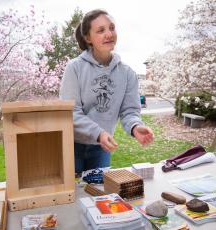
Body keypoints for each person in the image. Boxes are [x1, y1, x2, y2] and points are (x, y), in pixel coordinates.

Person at [59, 9, 154, 174]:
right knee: (71, 195)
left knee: (99, 194)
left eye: (112, 28)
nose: (109, 34)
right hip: (71, 145)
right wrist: (98, 132)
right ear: (88, 38)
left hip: (102, 148)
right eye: (101, 30)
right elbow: (70, 112)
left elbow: (129, 110)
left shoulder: (127, 73)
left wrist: (135, 126)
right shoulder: (74, 68)